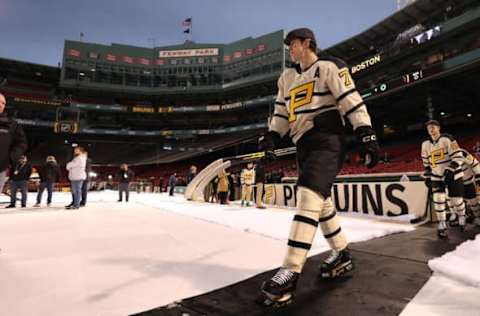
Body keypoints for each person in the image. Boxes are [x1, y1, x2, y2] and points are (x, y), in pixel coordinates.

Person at [257, 28, 379, 306]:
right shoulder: (286, 78)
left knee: (308, 194)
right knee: (320, 203)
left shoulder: (330, 67)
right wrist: (272, 137)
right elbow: (281, 113)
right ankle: (342, 253)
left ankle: (290, 270)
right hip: (303, 145)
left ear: (307, 43)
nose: (290, 49)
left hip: (328, 140)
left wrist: (366, 133)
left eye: (293, 44)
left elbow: (350, 99)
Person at [421, 120, 465, 237]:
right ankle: (442, 223)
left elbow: (459, 157)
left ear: (439, 128)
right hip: (437, 176)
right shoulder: (425, 144)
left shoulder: (448, 139)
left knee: (456, 200)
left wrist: (451, 169)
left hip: (453, 174)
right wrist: (428, 174)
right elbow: (426, 163)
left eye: (433, 127)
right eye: (429, 127)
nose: (431, 129)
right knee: (438, 199)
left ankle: (461, 216)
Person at [0, 92, 27, 203]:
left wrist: (9, 159)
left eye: (3, 103)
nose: (1, 105)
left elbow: (22, 143)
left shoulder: (12, 124)